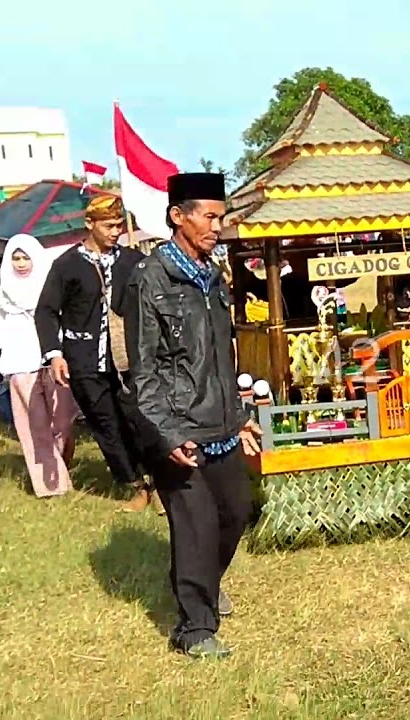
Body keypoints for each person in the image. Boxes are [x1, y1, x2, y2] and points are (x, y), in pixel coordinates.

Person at [124, 172, 260, 658]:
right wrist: (167, 435)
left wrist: (239, 414)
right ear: (178, 216)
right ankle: (195, 628)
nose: (217, 227)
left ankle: (205, 581)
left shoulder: (213, 276)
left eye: (221, 218)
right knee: (195, 526)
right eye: (209, 217)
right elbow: (144, 370)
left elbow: (221, 359)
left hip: (221, 423)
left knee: (236, 511)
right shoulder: (151, 278)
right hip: (178, 429)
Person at [36, 195, 158, 513]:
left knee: (140, 420)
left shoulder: (133, 261)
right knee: (106, 426)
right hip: (85, 361)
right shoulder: (67, 265)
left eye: (119, 225)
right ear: (89, 224)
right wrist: (54, 354)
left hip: (129, 360)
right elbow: (46, 311)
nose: (115, 231)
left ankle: (159, 483)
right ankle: (137, 485)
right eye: (108, 226)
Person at [0, 234, 78, 499]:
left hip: (53, 360)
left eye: (26, 257)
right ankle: (51, 486)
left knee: (62, 421)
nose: (21, 263)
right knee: (34, 426)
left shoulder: (52, 287)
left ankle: (61, 463)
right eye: (15, 258)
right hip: (20, 363)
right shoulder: (2, 293)